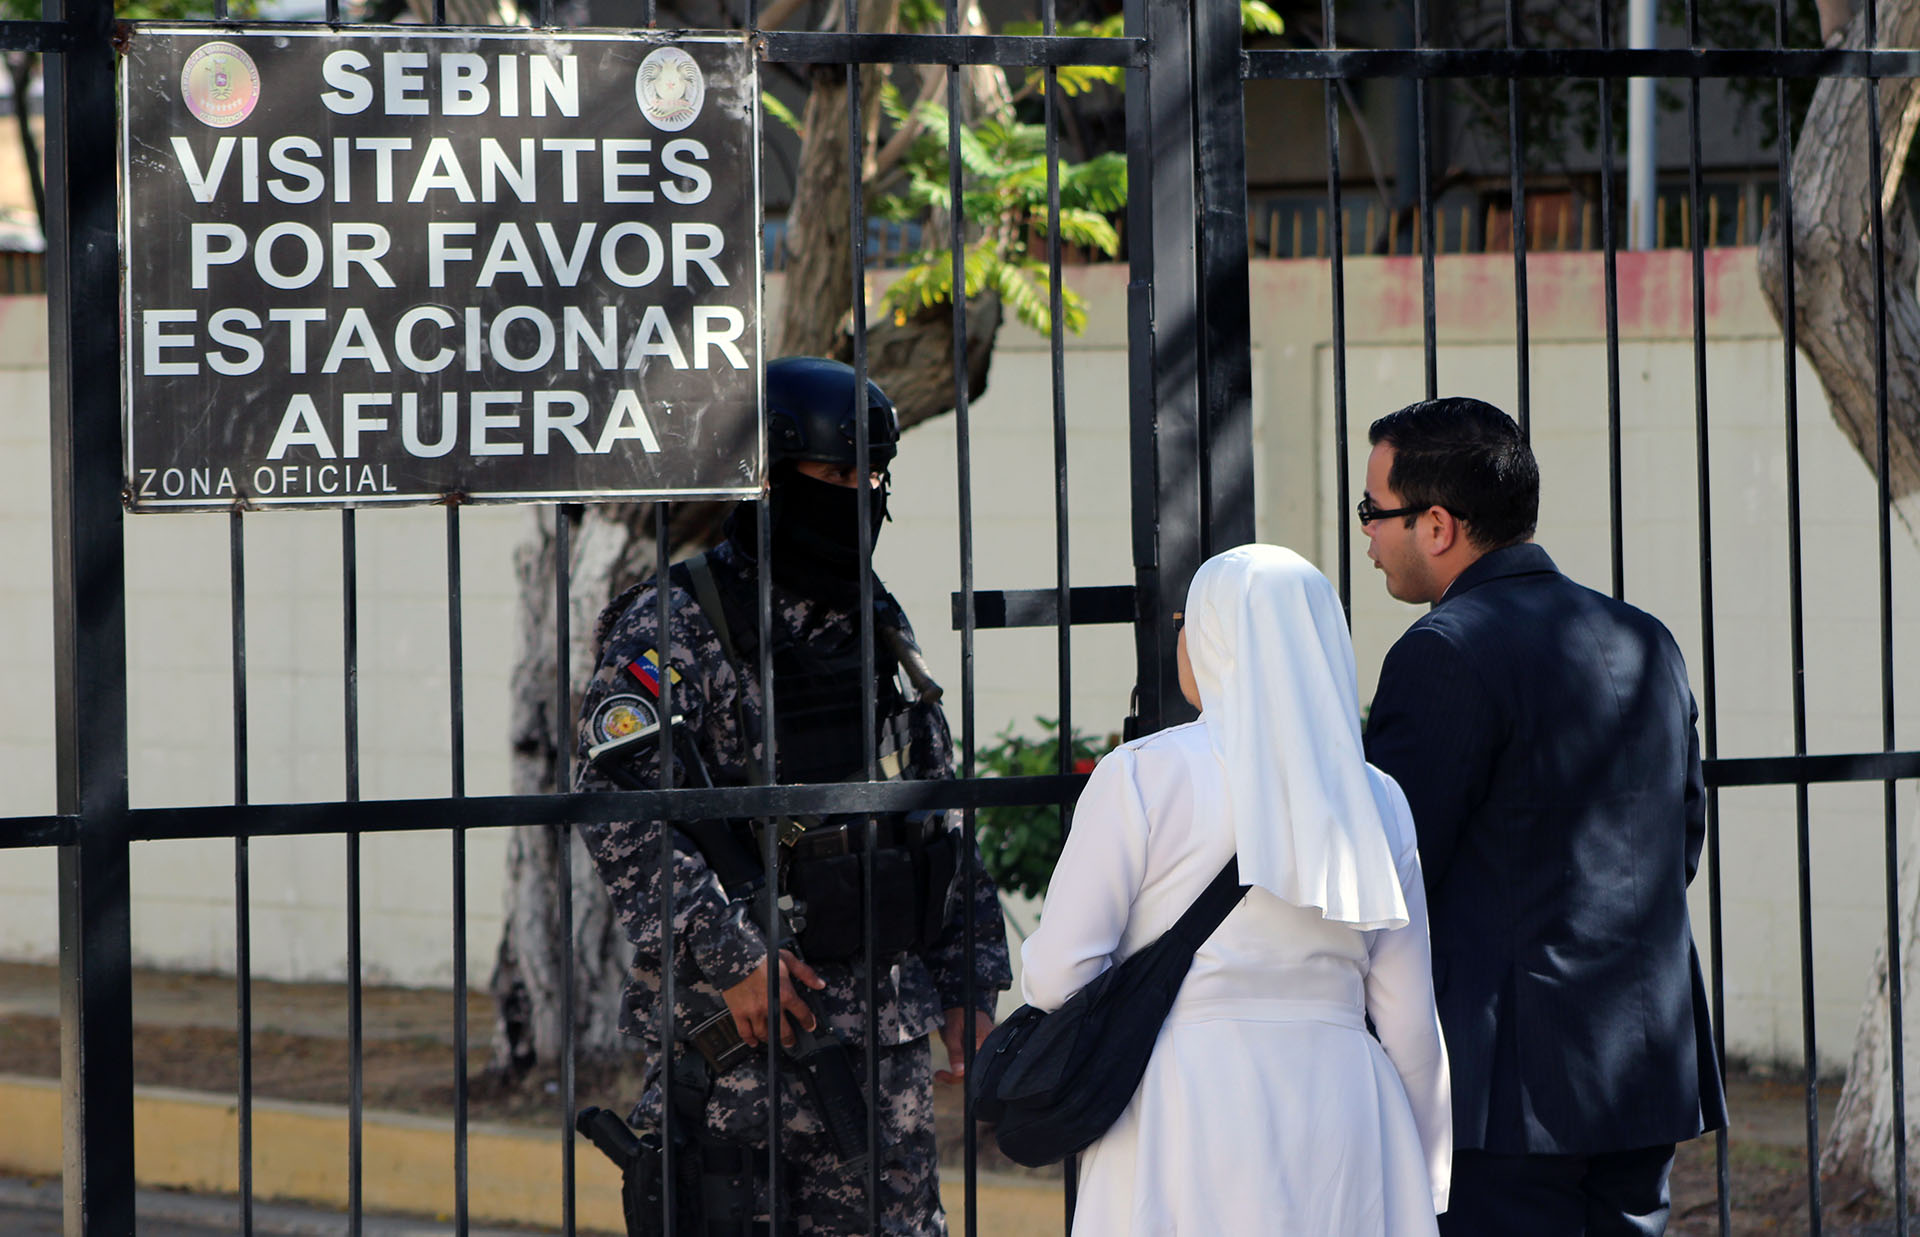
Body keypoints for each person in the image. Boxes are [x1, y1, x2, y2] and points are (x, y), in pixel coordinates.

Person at [575, 356, 1012, 1235]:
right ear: (768, 478)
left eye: (876, 475)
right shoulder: (680, 620)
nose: (863, 494)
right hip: (739, 1048)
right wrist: (733, 953)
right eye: (839, 474)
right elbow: (617, 803)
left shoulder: (876, 618)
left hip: (883, 1049)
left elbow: (929, 801)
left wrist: (971, 974)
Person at [1359, 397, 1728, 1236]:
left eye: (1374, 512)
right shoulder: (1645, 637)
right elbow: (1682, 839)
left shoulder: (1440, 650)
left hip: (1509, 1091)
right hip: (1642, 1061)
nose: (1368, 536)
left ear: (1439, 525)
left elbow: (1394, 869)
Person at [1020, 543, 1452, 1235]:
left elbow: (1057, 976)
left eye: (1188, 620)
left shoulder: (1141, 776)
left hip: (1183, 1097)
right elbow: (1408, 1015)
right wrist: (1426, 1169)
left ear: (1218, 637)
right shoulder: (1380, 798)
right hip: (1342, 1102)